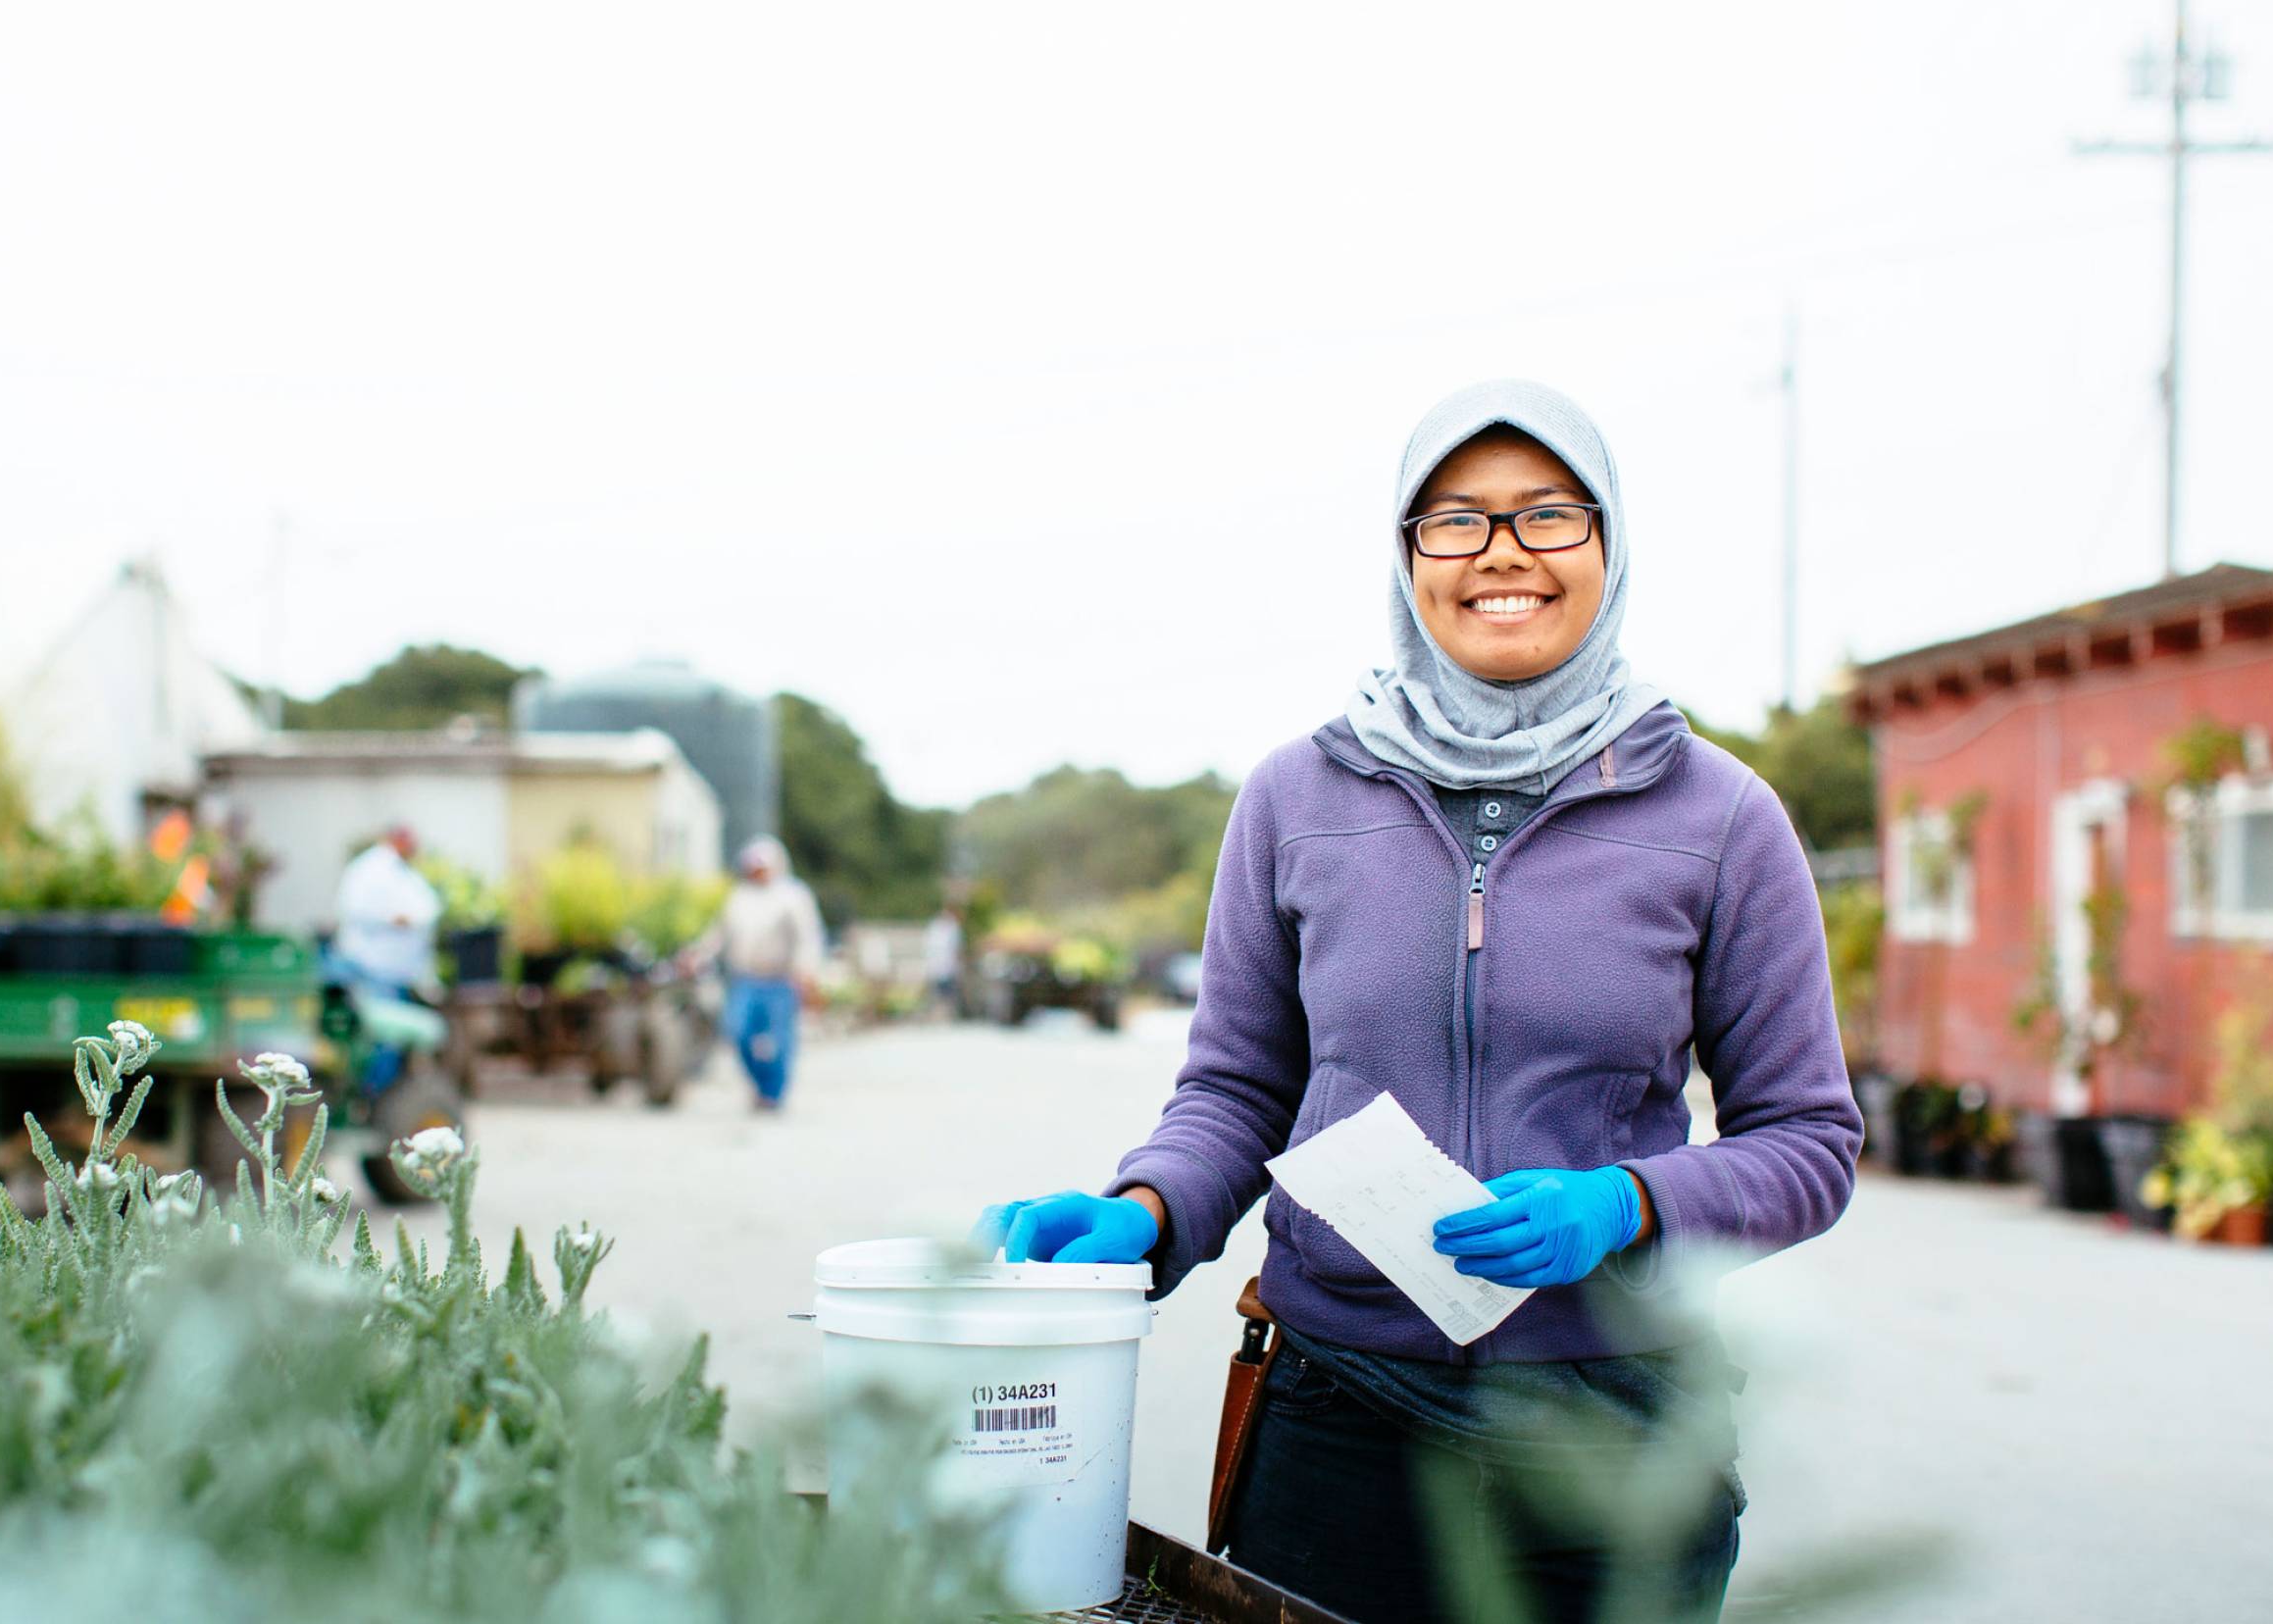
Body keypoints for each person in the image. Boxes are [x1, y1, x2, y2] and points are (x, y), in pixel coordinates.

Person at [974, 381, 1861, 1624]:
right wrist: (1150, 1206)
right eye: (1453, 519)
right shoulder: (1296, 798)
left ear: (1609, 545)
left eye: (1548, 514)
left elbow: (1810, 1144)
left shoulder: (1720, 818)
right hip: (1339, 1418)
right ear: (1407, 559)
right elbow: (1237, 1090)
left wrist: (1630, 1203)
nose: (1501, 552)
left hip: (1615, 1429)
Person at [711, 837, 825, 1111]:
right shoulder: (739, 897)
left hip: (780, 981)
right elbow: (718, 935)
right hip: (746, 979)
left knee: (779, 1041)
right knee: (736, 1031)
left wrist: (806, 972)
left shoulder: (793, 896)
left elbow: (808, 937)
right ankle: (760, 1083)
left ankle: (772, 1093)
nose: (757, 872)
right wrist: (696, 956)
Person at [328, 824, 442, 1094]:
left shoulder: (396, 869)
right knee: (383, 1040)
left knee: (395, 1041)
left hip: (394, 972)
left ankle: (381, 1098)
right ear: (399, 840)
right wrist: (398, 918)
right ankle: (370, 1097)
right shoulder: (372, 869)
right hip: (374, 970)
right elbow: (358, 910)